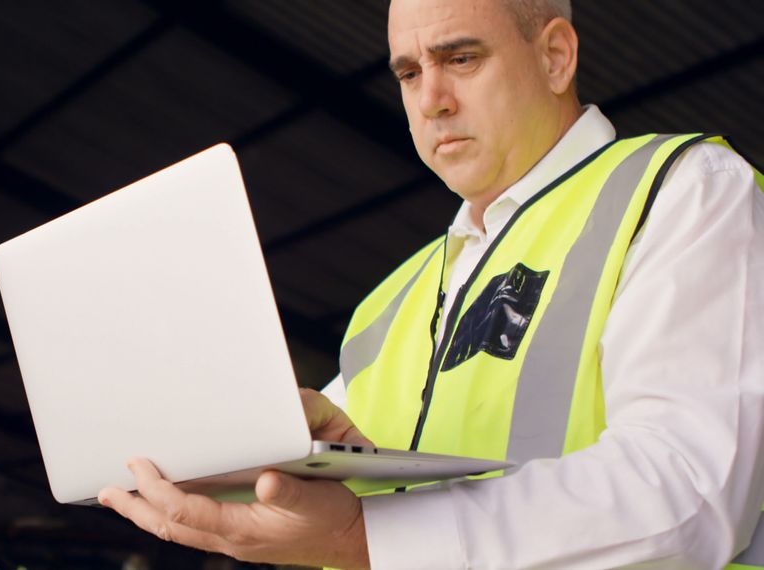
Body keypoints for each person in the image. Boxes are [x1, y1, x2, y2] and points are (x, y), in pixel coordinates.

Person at [98, 0, 764, 567]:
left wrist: (368, 536)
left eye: (462, 58)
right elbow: (308, 514)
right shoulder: (387, 306)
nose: (430, 99)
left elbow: (691, 491)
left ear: (556, 57)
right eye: (409, 72)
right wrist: (242, 463)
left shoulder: (682, 191)